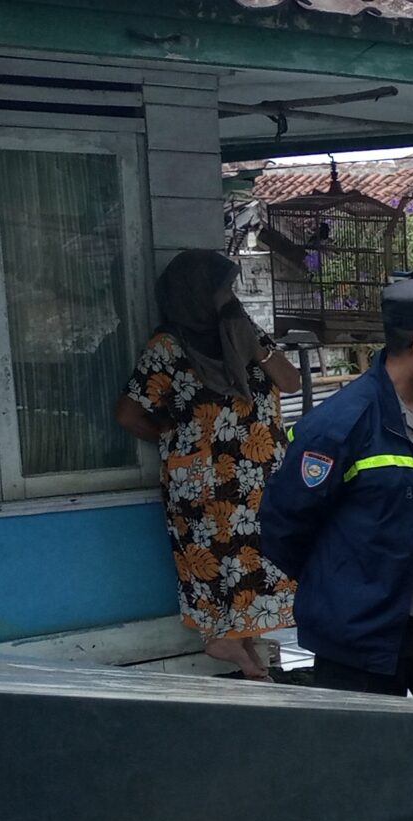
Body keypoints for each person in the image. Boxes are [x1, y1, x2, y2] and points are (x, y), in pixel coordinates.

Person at [262, 279, 413, 704]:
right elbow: (283, 527)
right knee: (367, 764)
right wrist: (346, 586)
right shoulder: (340, 426)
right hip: (365, 631)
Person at [112, 250, 303, 680]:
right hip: (205, 483)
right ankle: (225, 643)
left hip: (260, 475)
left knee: (255, 562)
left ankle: (247, 651)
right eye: (221, 289)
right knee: (219, 562)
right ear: (195, 294)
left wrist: (253, 345)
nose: (228, 296)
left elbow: (289, 382)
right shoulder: (168, 347)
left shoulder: (240, 332)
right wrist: (172, 435)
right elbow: (128, 413)